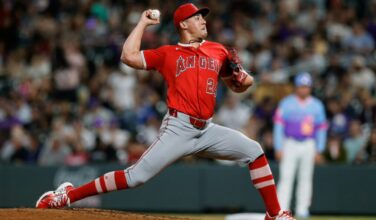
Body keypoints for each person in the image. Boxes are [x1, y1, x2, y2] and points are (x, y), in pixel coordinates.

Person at [35, 3, 294, 219]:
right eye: (197, 17)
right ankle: (67, 195)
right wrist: (142, 23)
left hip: (207, 129)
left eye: (203, 16)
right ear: (183, 24)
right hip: (178, 128)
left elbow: (242, 85)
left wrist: (240, 74)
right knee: (135, 177)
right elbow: (128, 56)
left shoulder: (218, 50)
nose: (203, 20)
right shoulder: (168, 53)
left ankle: (274, 214)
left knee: (255, 151)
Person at [273, 72, 328, 218]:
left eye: (306, 86)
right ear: (296, 87)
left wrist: (319, 149)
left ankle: (302, 209)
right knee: (286, 177)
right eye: (301, 86)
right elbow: (278, 127)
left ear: (310, 88)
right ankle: (282, 210)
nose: (304, 89)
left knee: (306, 177)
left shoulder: (317, 105)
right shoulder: (286, 103)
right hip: (289, 142)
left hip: (309, 143)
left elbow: (321, 128)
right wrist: (278, 147)